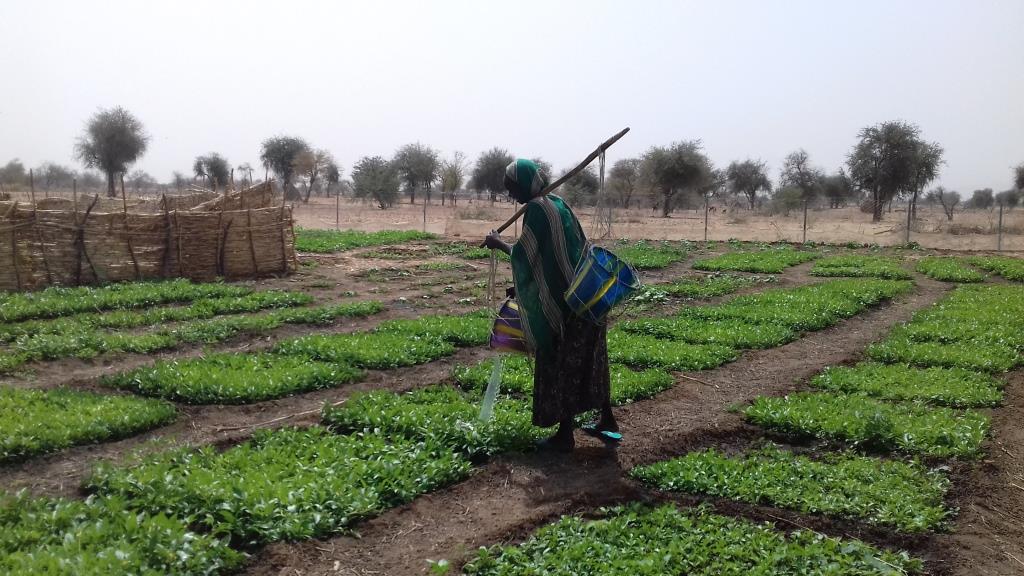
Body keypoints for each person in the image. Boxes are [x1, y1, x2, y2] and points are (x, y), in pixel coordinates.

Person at [483, 159, 618, 452]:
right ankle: (607, 420)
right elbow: (554, 255)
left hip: (565, 305)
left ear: (525, 184)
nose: (511, 195)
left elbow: (525, 254)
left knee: (561, 361)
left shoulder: (536, 209)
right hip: (586, 292)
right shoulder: (556, 202)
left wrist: (498, 243)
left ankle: (565, 434)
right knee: (592, 359)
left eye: (513, 188)